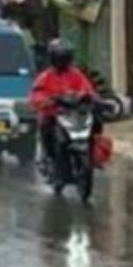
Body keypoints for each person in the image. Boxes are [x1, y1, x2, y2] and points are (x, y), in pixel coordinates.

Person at [29, 39, 97, 169]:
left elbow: (87, 88)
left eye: (65, 58)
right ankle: (49, 157)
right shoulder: (46, 76)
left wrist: (89, 97)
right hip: (54, 114)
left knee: (96, 123)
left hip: (74, 114)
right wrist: (47, 101)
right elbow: (36, 94)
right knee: (46, 127)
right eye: (60, 58)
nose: (63, 62)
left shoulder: (76, 74)